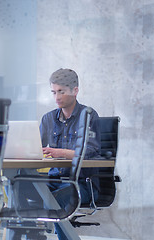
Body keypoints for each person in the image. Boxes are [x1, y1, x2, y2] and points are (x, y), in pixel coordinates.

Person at [40, 68, 101, 240]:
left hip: (81, 184)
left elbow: (91, 152)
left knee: (55, 199)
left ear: (75, 91)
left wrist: (58, 152)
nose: (57, 97)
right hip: (54, 181)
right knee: (17, 189)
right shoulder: (48, 119)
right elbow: (35, 148)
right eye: (53, 92)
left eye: (61, 92)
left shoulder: (89, 115)